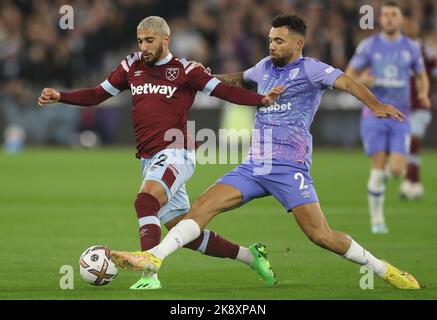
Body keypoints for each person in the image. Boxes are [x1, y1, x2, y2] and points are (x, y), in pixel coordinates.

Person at [110, 14, 420, 290]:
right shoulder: (264, 67)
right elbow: (238, 81)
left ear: (298, 44)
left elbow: (348, 83)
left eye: (279, 41)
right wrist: (204, 78)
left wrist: (375, 104)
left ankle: (385, 269)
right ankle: (153, 258)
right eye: (270, 39)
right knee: (201, 208)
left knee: (321, 236)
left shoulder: (312, 69)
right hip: (254, 166)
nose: (271, 45)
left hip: (289, 166)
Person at [37, 16, 284, 290]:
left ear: (165, 40)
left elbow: (224, 91)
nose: (143, 46)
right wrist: (61, 96)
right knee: (184, 232)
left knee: (145, 201)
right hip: (149, 158)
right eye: (140, 41)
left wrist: (261, 100)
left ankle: (149, 275)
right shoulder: (131, 65)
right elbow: (97, 94)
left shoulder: (186, 70)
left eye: (149, 40)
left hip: (176, 151)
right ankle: (250, 255)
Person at [345, 1, 430, 233]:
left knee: (396, 170)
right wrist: (364, 79)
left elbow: (422, 76)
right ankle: (377, 221)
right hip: (374, 114)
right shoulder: (369, 46)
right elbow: (349, 75)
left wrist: (423, 93)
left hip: (401, 116)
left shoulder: (411, 47)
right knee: (378, 168)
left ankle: (397, 175)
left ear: (401, 19)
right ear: (380, 19)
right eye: (386, 15)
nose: (390, 19)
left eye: (394, 15)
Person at [399, 18, 436, 200]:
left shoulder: (424, 50)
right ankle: (413, 183)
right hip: (404, 106)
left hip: (421, 105)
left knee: (413, 144)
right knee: (408, 147)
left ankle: (412, 183)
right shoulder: (399, 51)